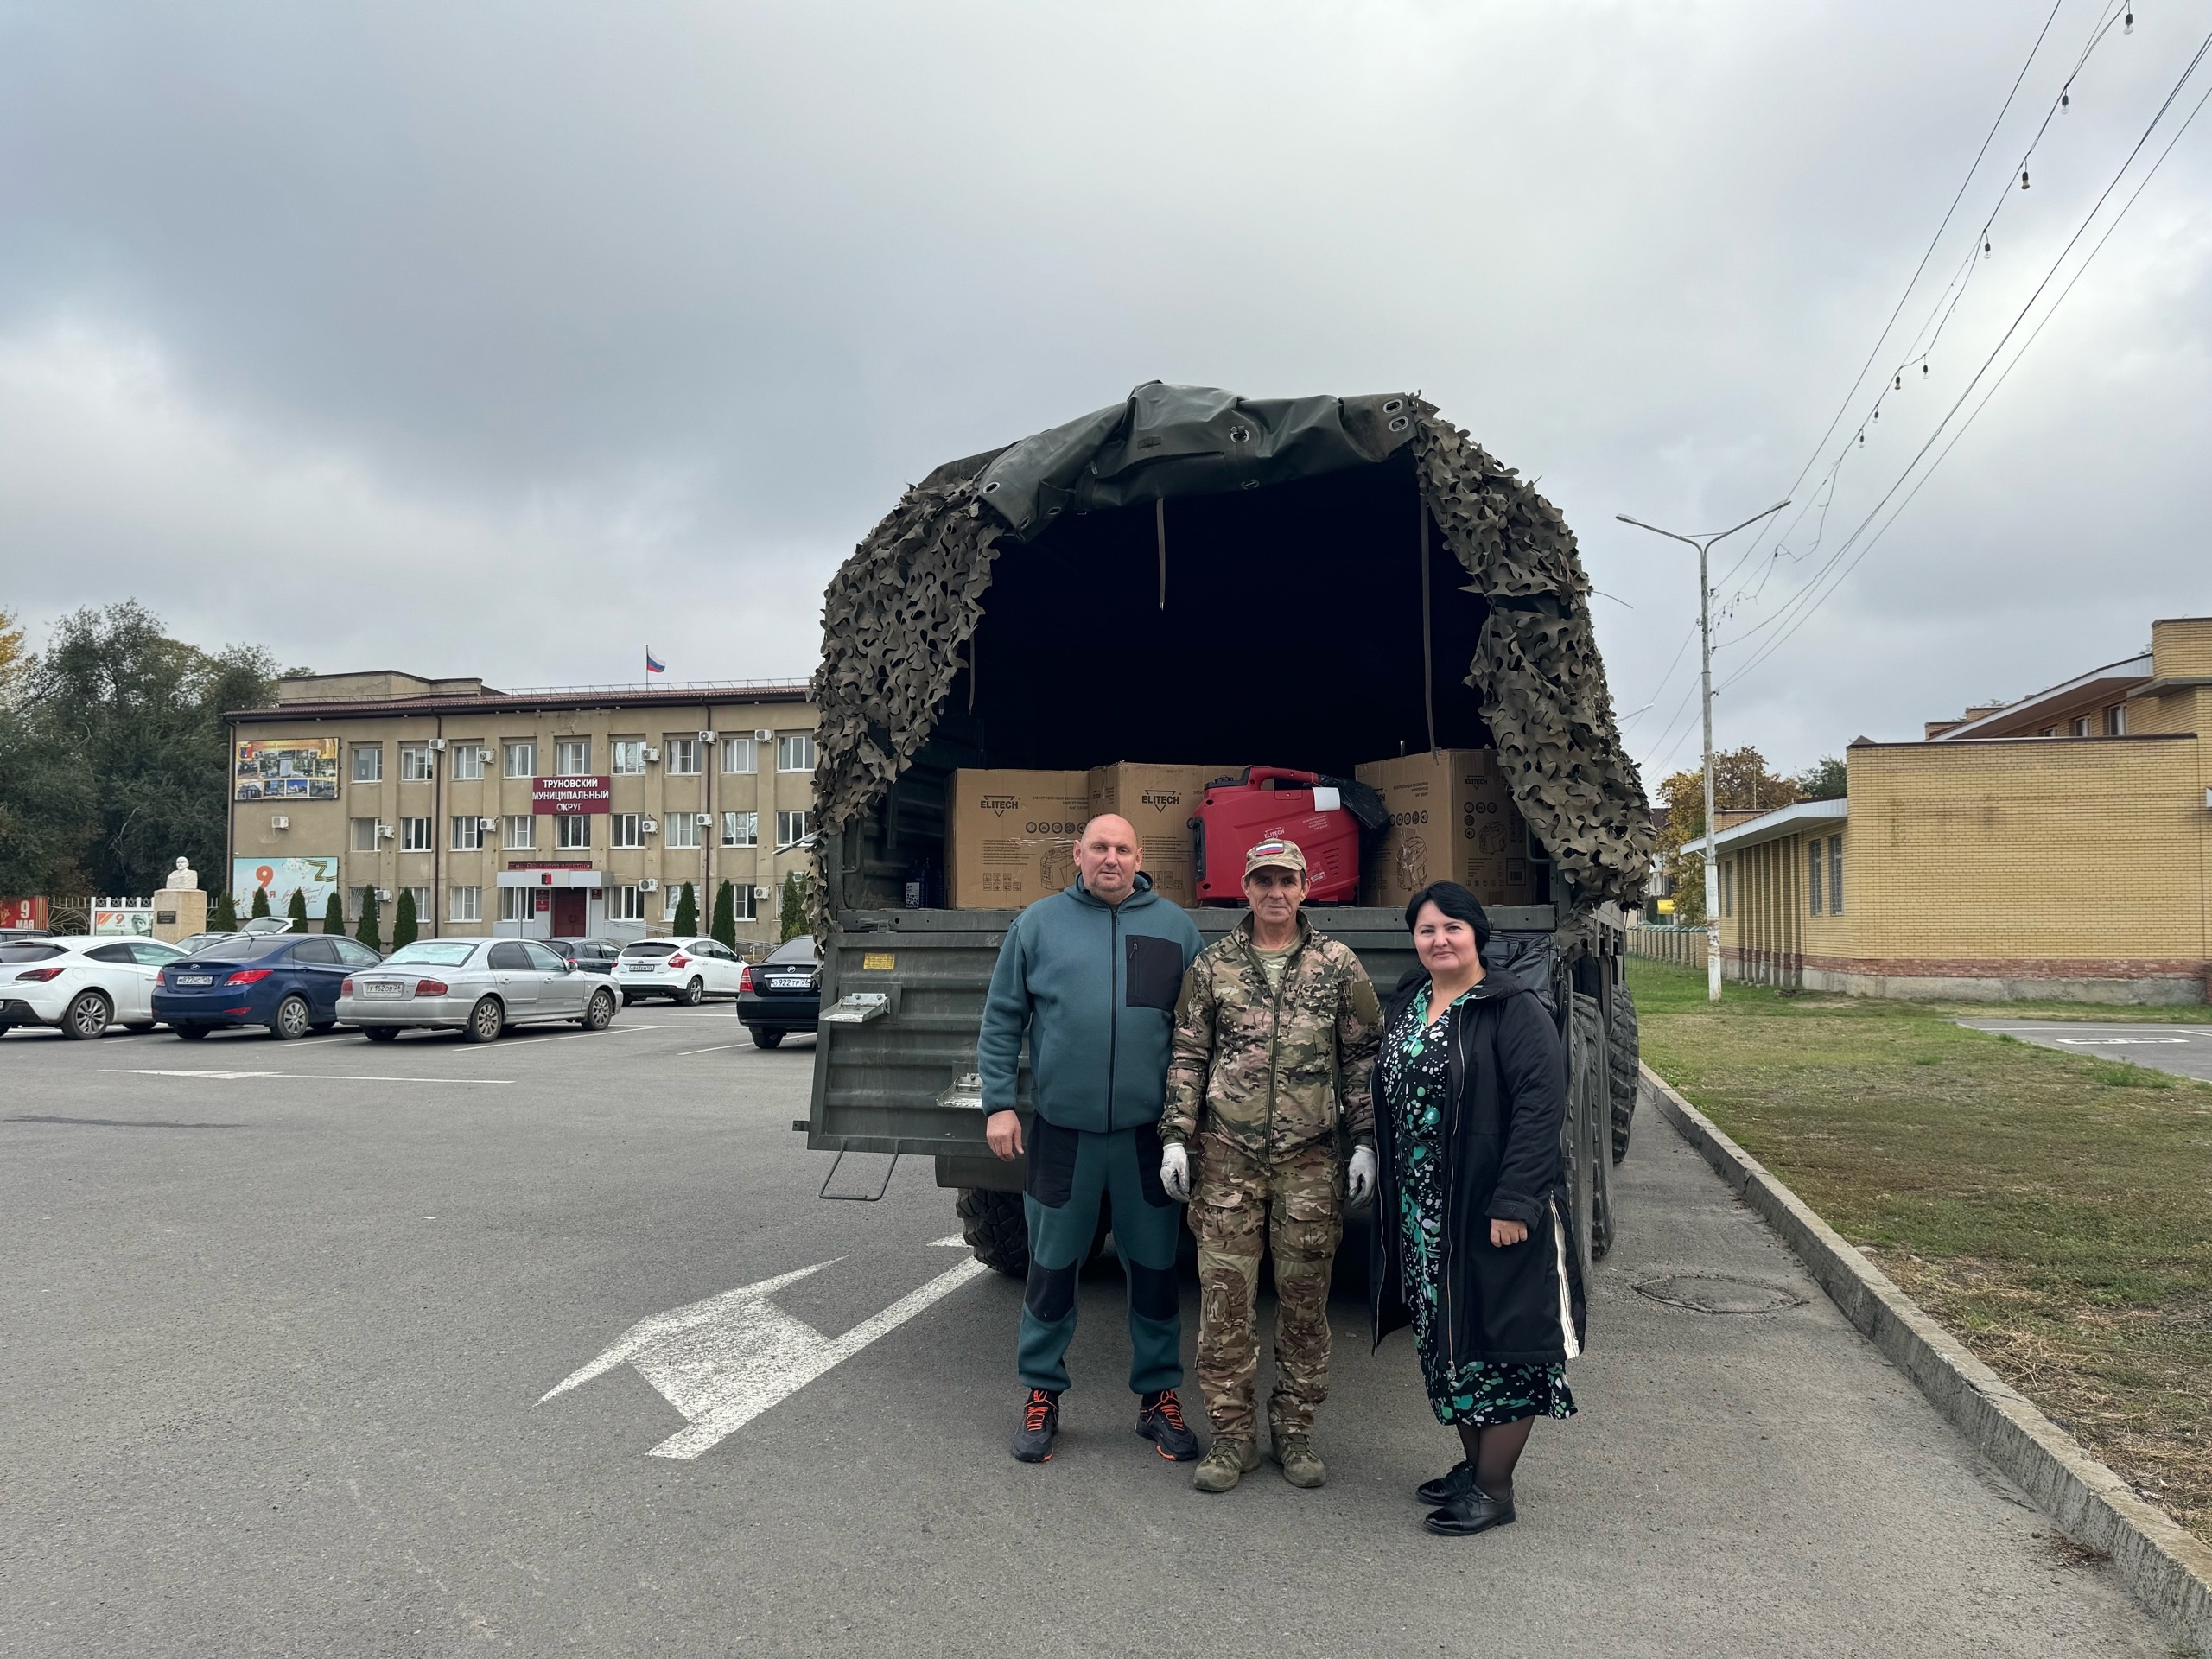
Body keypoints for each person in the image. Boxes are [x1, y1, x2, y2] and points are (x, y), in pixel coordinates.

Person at [977, 812, 1205, 1465]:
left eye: (1123, 849)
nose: (1111, 858)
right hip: (1062, 1137)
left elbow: (1198, 1033)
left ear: (1139, 857)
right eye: (1099, 847)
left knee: (1158, 1274)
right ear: (1076, 853)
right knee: (1051, 1272)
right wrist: (999, 1105)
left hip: (1146, 1139)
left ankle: (1158, 1398)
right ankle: (1042, 1392)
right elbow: (1001, 1022)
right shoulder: (1038, 925)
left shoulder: (1174, 928)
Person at [1159, 837, 1383, 1493]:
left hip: (1310, 1161)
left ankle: (1295, 1431)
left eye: (1286, 881)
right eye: (1263, 882)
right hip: (1227, 1160)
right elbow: (1187, 1056)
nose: (1275, 894)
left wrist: (1366, 1141)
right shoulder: (1214, 966)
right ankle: (1232, 1440)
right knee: (1225, 1305)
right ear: (1245, 888)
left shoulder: (1338, 965)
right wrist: (1176, 1136)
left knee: (1305, 1305)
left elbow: (1363, 1057)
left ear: (1306, 888)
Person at [1370, 880, 1585, 1535]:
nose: (1439, 940)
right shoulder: (1411, 1000)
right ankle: (1474, 1467)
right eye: (1427, 930)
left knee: (1501, 1346)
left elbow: (1540, 1110)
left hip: (1490, 1208)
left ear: (1477, 934)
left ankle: (1495, 1490)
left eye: (1452, 928)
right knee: (1451, 1340)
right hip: (1424, 1211)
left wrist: (1517, 1200)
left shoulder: (1512, 1007)